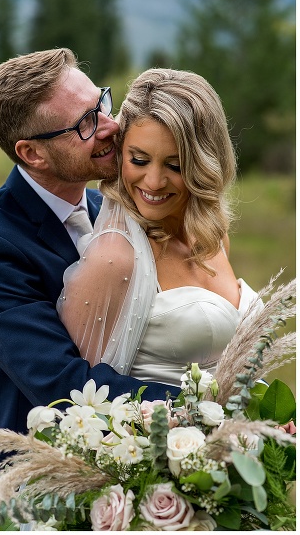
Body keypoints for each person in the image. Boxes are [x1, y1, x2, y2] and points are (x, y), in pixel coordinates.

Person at [0, 49, 179, 525]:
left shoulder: (106, 208)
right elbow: (62, 384)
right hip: (31, 494)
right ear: (32, 153)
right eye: (85, 124)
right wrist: (194, 406)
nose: (111, 126)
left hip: (116, 475)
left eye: (103, 104)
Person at [57, 68, 261, 385]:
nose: (153, 182)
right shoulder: (115, 257)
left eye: (175, 165)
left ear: (205, 163)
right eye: (138, 160)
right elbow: (81, 401)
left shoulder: (213, 237)